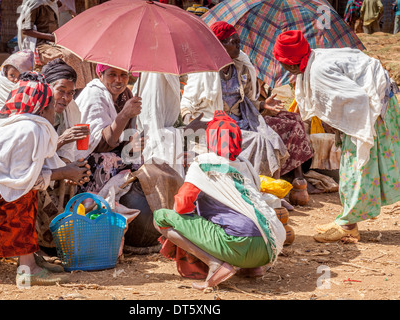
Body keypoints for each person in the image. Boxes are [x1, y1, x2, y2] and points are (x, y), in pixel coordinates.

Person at [0, 72, 91, 286]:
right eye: (52, 103)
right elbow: (24, 180)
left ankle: (28, 257)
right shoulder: (31, 128)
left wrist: (68, 169)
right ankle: (28, 269)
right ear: (42, 107)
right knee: (22, 197)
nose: (56, 109)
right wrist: (64, 172)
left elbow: (26, 171)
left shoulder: (27, 124)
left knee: (26, 194)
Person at [273, 30, 400, 243]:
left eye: (282, 63)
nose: (283, 68)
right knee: (364, 166)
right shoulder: (314, 57)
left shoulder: (319, 70)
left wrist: (344, 127)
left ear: (292, 64)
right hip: (377, 106)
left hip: (370, 112)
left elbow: (357, 99)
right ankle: (347, 219)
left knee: (357, 167)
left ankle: (348, 226)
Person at [181, 22, 315, 207]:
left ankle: (275, 191)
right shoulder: (204, 72)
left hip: (244, 120)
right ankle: (256, 194)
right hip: (217, 127)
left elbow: (249, 102)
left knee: (279, 133)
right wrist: (191, 123)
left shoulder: (240, 66)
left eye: (238, 42)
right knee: (260, 141)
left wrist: (263, 104)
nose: (238, 46)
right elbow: (186, 106)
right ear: (220, 45)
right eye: (233, 42)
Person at [153, 110, 286, 289]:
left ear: (210, 140)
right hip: (269, 247)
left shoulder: (203, 163)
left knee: (161, 217)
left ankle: (214, 264)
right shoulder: (246, 164)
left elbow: (182, 206)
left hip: (238, 244)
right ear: (238, 139)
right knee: (244, 214)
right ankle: (253, 268)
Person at [75, 64, 162, 248]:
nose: (118, 80)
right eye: (112, 75)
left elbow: (128, 137)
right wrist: (123, 115)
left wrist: (134, 145)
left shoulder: (126, 96)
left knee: (145, 165)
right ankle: (100, 213)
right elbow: (98, 143)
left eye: (123, 75)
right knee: (112, 162)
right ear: (100, 74)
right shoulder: (94, 95)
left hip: (116, 154)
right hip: (89, 158)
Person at [35, 58, 90, 255]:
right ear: (48, 88)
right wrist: (61, 140)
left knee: (74, 177)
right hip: (33, 168)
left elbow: (68, 153)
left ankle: (59, 241)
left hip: (53, 164)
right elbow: (30, 156)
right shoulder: (34, 110)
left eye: (71, 93)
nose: (66, 98)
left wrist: (70, 168)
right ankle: (40, 243)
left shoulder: (70, 111)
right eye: (61, 91)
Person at [16, 0, 96, 89]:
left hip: (52, 42)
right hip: (40, 45)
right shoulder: (34, 4)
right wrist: (50, 37)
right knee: (67, 56)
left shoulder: (52, 3)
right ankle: (75, 89)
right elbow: (26, 30)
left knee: (82, 53)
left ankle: (88, 88)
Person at [0, 49, 34, 128]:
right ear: (5, 73)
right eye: (12, 75)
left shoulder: (30, 89)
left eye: (21, 76)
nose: (15, 80)